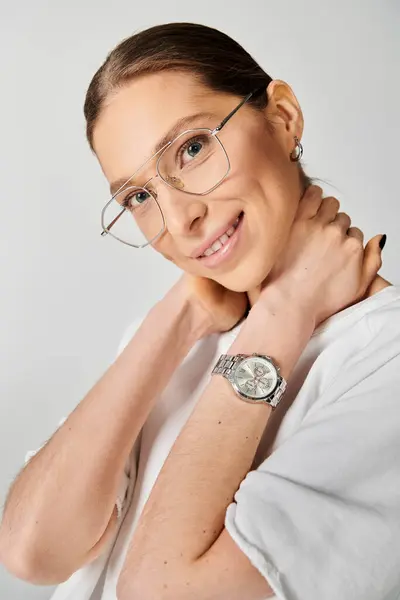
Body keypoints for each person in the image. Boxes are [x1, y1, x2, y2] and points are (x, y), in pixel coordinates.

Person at [1, 22, 399, 600]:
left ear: (284, 118)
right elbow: (32, 550)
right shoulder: (174, 341)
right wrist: (182, 313)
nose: (179, 218)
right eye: (139, 197)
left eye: (191, 149)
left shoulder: (385, 362)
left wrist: (278, 321)